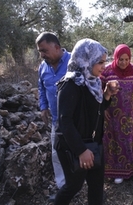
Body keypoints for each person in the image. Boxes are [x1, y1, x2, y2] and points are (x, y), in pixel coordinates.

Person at [53, 38, 119, 205]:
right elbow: (64, 121)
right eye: (100, 62)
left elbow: (97, 109)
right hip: (73, 146)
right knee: (73, 186)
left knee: (96, 186)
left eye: (105, 62)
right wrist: (81, 151)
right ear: (86, 60)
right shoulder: (70, 85)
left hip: (93, 144)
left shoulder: (93, 82)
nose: (104, 67)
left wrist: (107, 94)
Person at [100, 44, 133, 187]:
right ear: (115, 58)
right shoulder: (107, 71)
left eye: (126, 59)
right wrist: (102, 109)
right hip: (113, 115)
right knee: (116, 143)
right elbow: (99, 91)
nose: (123, 62)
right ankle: (118, 172)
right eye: (120, 59)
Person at [36, 32, 71, 189]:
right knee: (57, 154)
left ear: (57, 47)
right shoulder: (43, 67)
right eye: (40, 52)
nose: (42, 55)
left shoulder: (73, 62)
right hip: (56, 120)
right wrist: (43, 107)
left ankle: (80, 184)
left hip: (75, 120)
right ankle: (62, 187)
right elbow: (41, 88)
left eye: (44, 51)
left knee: (78, 152)